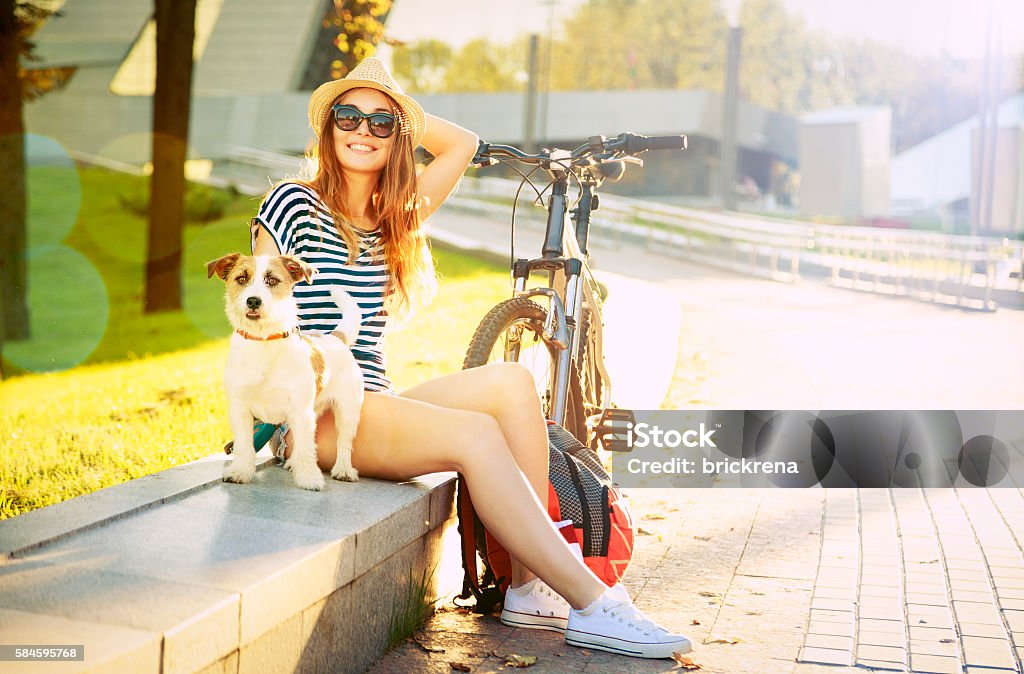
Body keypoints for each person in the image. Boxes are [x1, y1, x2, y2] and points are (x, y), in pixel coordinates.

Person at [250, 56, 692, 660]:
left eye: (382, 123)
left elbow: (462, 144)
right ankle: (595, 604)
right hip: (315, 416)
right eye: (347, 116)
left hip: (371, 401)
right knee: (476, 435)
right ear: (327, 128)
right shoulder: (291, 203)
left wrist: (403, 111)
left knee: (511, 383)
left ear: (399, 139)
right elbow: (261, 322)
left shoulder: (394, 218)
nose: (361, 130)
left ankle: (530, 587)